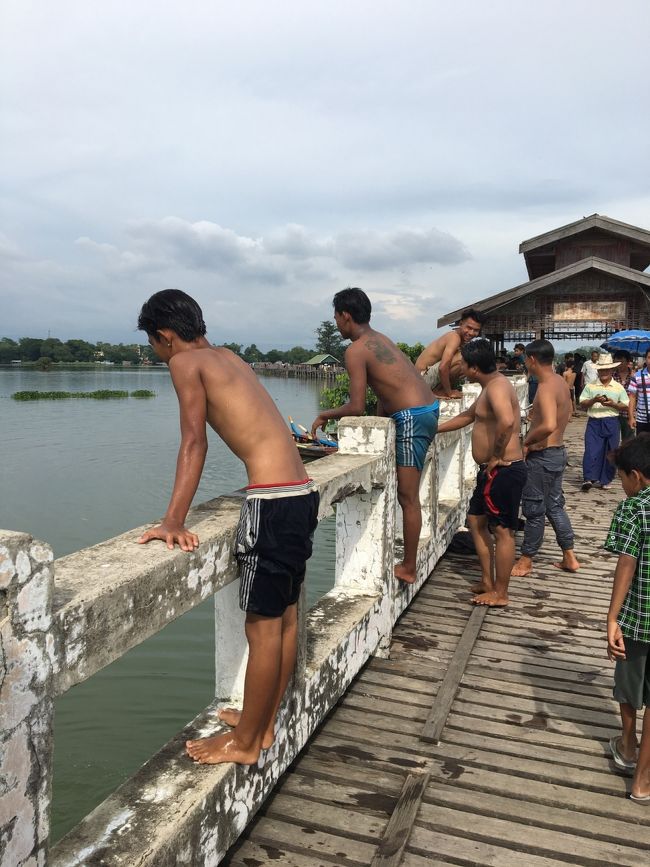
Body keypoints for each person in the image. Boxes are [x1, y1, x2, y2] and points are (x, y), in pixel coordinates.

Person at [137, 289, 319, 765]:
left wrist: (173, 520)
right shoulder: (229, 356)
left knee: (262, 629)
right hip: (301, 491)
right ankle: (264, 721)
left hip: (273, 501)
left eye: (156, 346)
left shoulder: (185, 364)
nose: (159, 355)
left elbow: (194, 442)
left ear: (167, 336)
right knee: (285, 619)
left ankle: (244, 745)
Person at [311, 288, 438, 585]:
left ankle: (408, 567)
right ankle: (408, 562)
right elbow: (385, 390)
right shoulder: (380, 339)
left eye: (336, 317)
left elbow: (356, 406)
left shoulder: (355, 350)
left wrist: (324, 414)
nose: (336, 323)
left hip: (411, 418)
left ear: (345, 315)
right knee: (409, 494)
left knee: (408, 497)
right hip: (427, 409)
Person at [437, 339, 526, 607]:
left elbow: (508, 421)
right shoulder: (489, 386)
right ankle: (488, 581)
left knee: (502, 531)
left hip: (504, 470)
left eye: (463, 363)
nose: (460, 367)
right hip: (489, 472)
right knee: (475, 521)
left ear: (474, 367)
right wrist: (434, 429)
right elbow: (467, 416)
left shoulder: (497, 387)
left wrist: (497, 455)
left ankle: (501, 593)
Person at [604, 435, 650, 802]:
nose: (621, 485)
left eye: (621, 478)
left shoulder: (634, 509)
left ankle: (628, 745)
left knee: (627, 684)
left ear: (636, 476)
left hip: (638, 619)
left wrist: (612, 618)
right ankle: (642, 784)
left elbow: (626, 562)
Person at [511, 340, 580, 578]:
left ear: (531, 359)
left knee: (534, 508)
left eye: (525, 360)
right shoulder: (560, 381)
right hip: (558, 452)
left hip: (543, 456)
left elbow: (549, 424)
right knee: (554, 506)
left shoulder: (546, 386)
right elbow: (567, 413)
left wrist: (527, 441)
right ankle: (569, 556)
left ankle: (527, 559)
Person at [579, 353, 629, 491]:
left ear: (612, 371)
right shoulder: (590, 386)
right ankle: (588, 478)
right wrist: (594, 400)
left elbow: (625, 405)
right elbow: (582, 403)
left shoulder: (618, 387)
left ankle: (605, 479)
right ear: (597, 370)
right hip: (594, 421)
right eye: (601, 370)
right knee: (591, 450)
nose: (604, 372)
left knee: (611, 451)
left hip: (611, 420)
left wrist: (612, 404)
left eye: (607, 370)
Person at [414, 308, 485, 398]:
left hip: (425, 379)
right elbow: (443, 367)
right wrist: (449, 392)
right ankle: (439, 391)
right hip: (421, 380)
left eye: (476, 330)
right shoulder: (454, 338)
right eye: (469, 328)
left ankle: (441, 389)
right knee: (463, 358)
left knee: (468, 363)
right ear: (461, 324)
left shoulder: (461, 341)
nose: (471, 333)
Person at [613, 350, 634, 442]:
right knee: (613, 440)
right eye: (616, 361)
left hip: (628, 413)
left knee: (629, 441)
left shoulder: (634, 376)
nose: (619, 364)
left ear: (628, 361)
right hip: (614, 412)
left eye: (621, 361)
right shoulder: (611, 376)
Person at [628, 348, 650, 435]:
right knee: (642, 447)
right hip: (642, 420)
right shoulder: (637, 376)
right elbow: (632, 397)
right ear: (645, 359)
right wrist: (631, 417)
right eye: (649, 357)